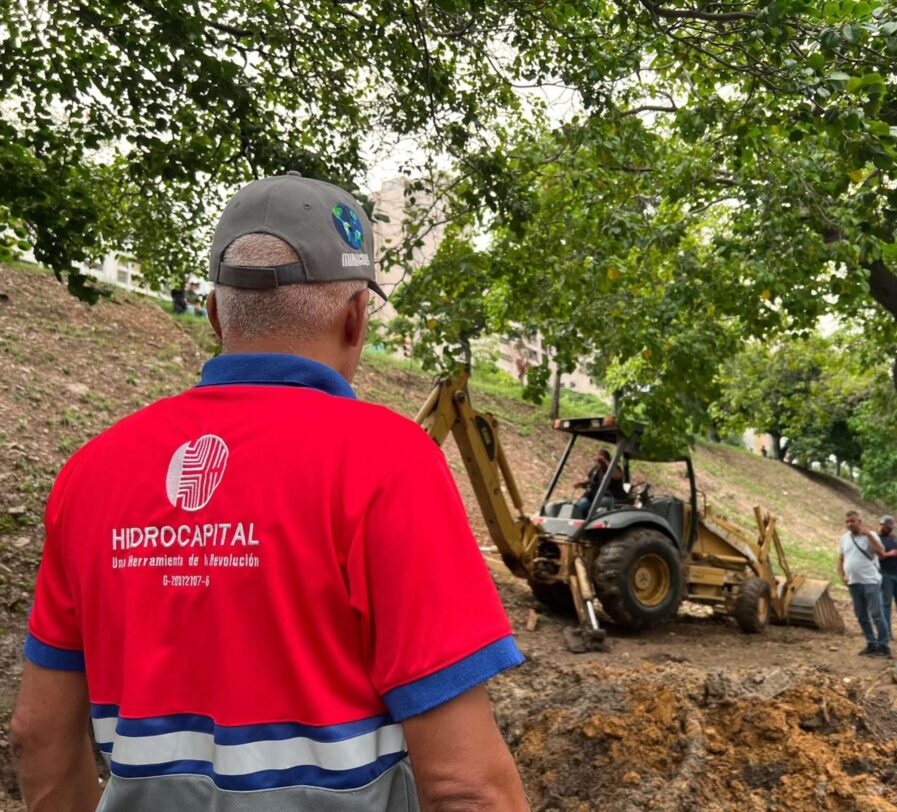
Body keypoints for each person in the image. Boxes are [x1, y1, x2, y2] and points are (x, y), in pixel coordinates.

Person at [12, 172, 529, 811]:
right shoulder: (389, 465)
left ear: (213, 314)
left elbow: (37, 739)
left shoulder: (90, 475)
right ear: (356, 316)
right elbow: (469, 786)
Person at [837, 510, 891, 657]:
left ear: (859, 522)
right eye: (847, 522)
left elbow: (881, 553)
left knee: (876, 614)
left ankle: (884, 646)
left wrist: (868, 535)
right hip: (854, 582)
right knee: (861, 615)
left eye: (853, 521)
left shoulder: (870, 536)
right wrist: (842, 575)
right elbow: (841, 558)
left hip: (870, 581)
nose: (850, 524)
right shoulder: (844, 538)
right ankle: (871, 643)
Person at [575, 448, 627, 515]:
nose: (599, 463)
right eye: (598, 460)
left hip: (612, 496)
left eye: (601, 460)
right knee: (579, 506)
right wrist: (581, 483)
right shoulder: (597, 468)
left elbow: (618, 476)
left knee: (595, 506)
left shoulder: (614, 468)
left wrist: (606, 461)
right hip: (597, 496)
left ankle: (590, 518)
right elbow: (591, 479)